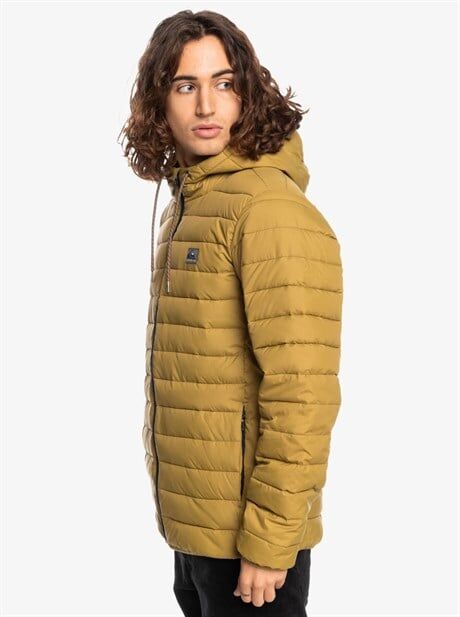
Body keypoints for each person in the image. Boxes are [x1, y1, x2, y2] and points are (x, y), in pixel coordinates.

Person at [119, 10, 343, 617]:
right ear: (159, 101)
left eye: (223, 83)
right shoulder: (194, 199)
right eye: (185, 85)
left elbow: (302, 392)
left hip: (251, 548)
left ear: (248, 92)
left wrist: (270, 543)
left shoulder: (268, 210)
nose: (206, 105)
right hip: (198, 531)